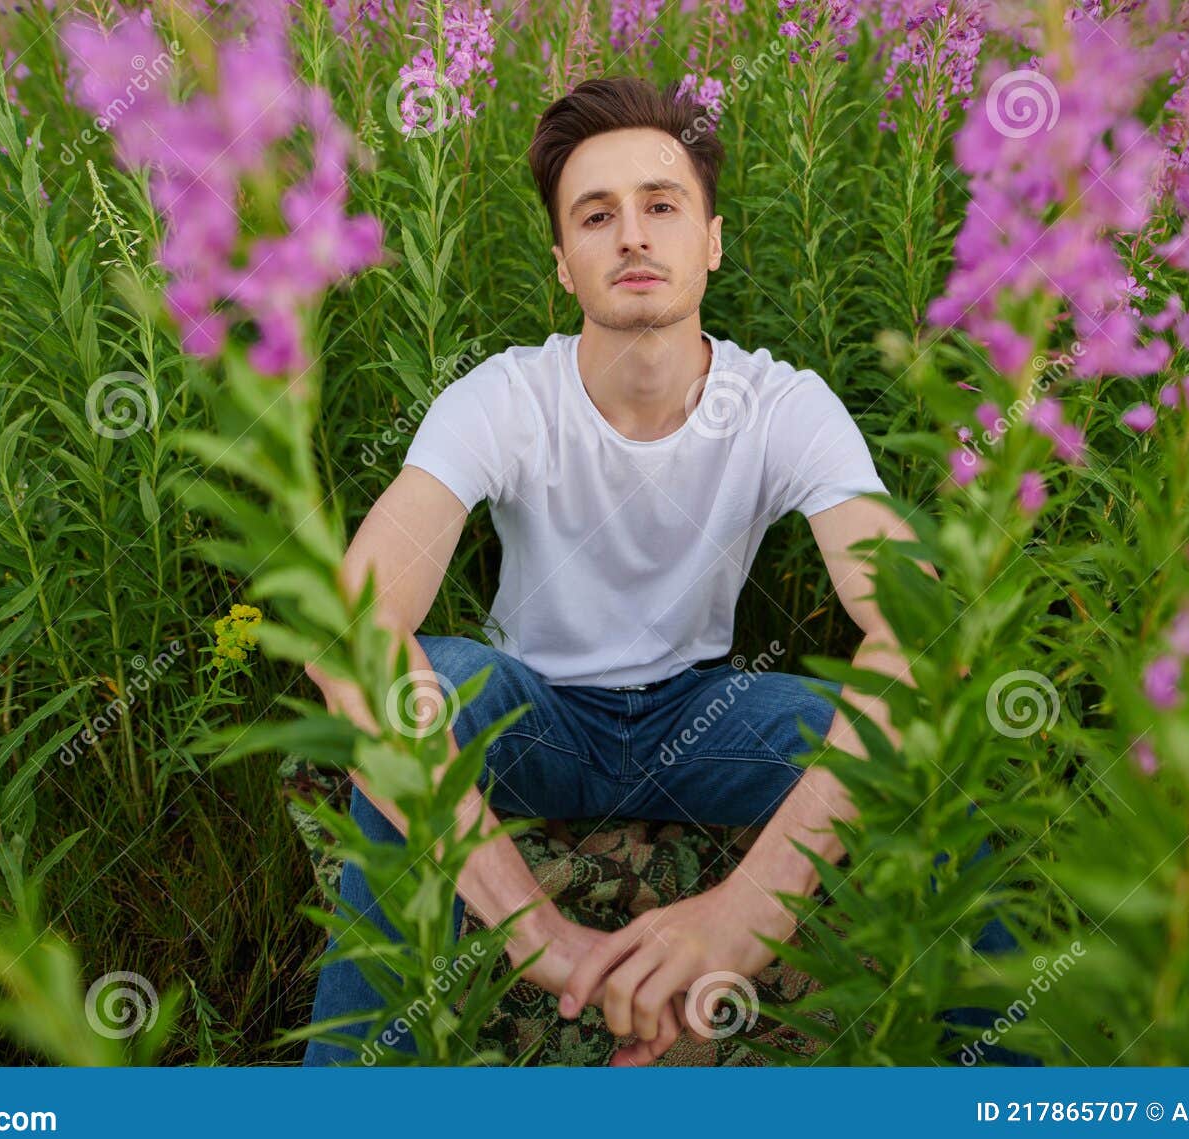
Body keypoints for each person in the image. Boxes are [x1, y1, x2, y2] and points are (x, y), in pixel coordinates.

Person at [302, 76, 1022, 1067]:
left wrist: (745, 912)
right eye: (596, 216)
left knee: (909, 738)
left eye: (660, 205)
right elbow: (353, 630)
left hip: (706, 725)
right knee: (429, 683)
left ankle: (1012, 1091)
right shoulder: (503, 396)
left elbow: (921, 625)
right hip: (532, 716)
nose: (631, 235)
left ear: (712, 239)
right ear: (563, 263)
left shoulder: (782, 405)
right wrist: (533, 927)